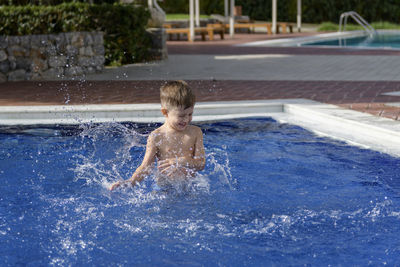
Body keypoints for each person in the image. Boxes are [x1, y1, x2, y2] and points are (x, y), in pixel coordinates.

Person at [110, 80, 205, 191]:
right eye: (181, 115)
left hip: (190, 185)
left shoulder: (195, 132)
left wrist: (181, 161)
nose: (187, 119)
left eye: (190, 114)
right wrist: (131, 182)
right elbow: (146, 167)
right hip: (164, 187)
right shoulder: (157, 136)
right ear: (165, 112)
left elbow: (200, 164)